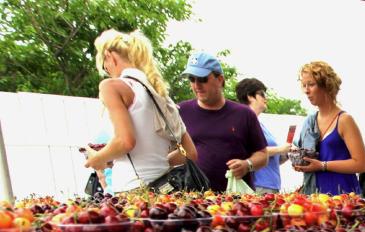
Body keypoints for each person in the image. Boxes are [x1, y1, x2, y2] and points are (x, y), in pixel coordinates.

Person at [84, 30, 198, 193]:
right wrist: (156, 161)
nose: (107, 70)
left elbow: (125, 141)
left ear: (110, 56)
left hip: (134, 191)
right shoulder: (160, 94)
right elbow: (190, 152)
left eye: (104, 65)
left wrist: (98, 158)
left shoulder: (111, 86)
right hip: (168, 191)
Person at [177, 52, 266, 192]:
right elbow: (169, 149)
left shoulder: (244, 114)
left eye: (203, 79)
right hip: (192, 201)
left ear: (220, 79)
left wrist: (247, 164)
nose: (197, 85)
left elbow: (262, 154)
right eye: (192, 79)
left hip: (235, 202)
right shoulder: (180, 111)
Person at [293, 61, 365, 195]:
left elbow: (362, 164)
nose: (306, 90)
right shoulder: (309, 122)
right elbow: (300, 151)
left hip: (343, 198)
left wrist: (322, 165)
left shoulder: (344, 120)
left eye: (311, 84)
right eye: (304, 86)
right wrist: (300, 163)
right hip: (315, 197)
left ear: (326, 86)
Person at [235, 78, 290, 194]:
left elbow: (268, 159)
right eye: (262, 94)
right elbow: (252, 151)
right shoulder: (243, 121)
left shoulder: (259, 124)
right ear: (250, 96)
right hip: (258, 185)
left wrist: (287, 154)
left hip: (270, 185)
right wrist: (280, 149)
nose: (266, 98)